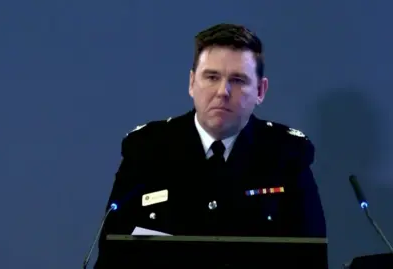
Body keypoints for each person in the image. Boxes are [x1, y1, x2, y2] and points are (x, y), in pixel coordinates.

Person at [94, 23, 326, 268]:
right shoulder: (148, 150)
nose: (222, 91)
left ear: (260, 90)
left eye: (237, 80)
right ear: (192, 82)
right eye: (212, 77)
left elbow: (311, 259)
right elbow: (111, 254)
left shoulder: (286, 155)